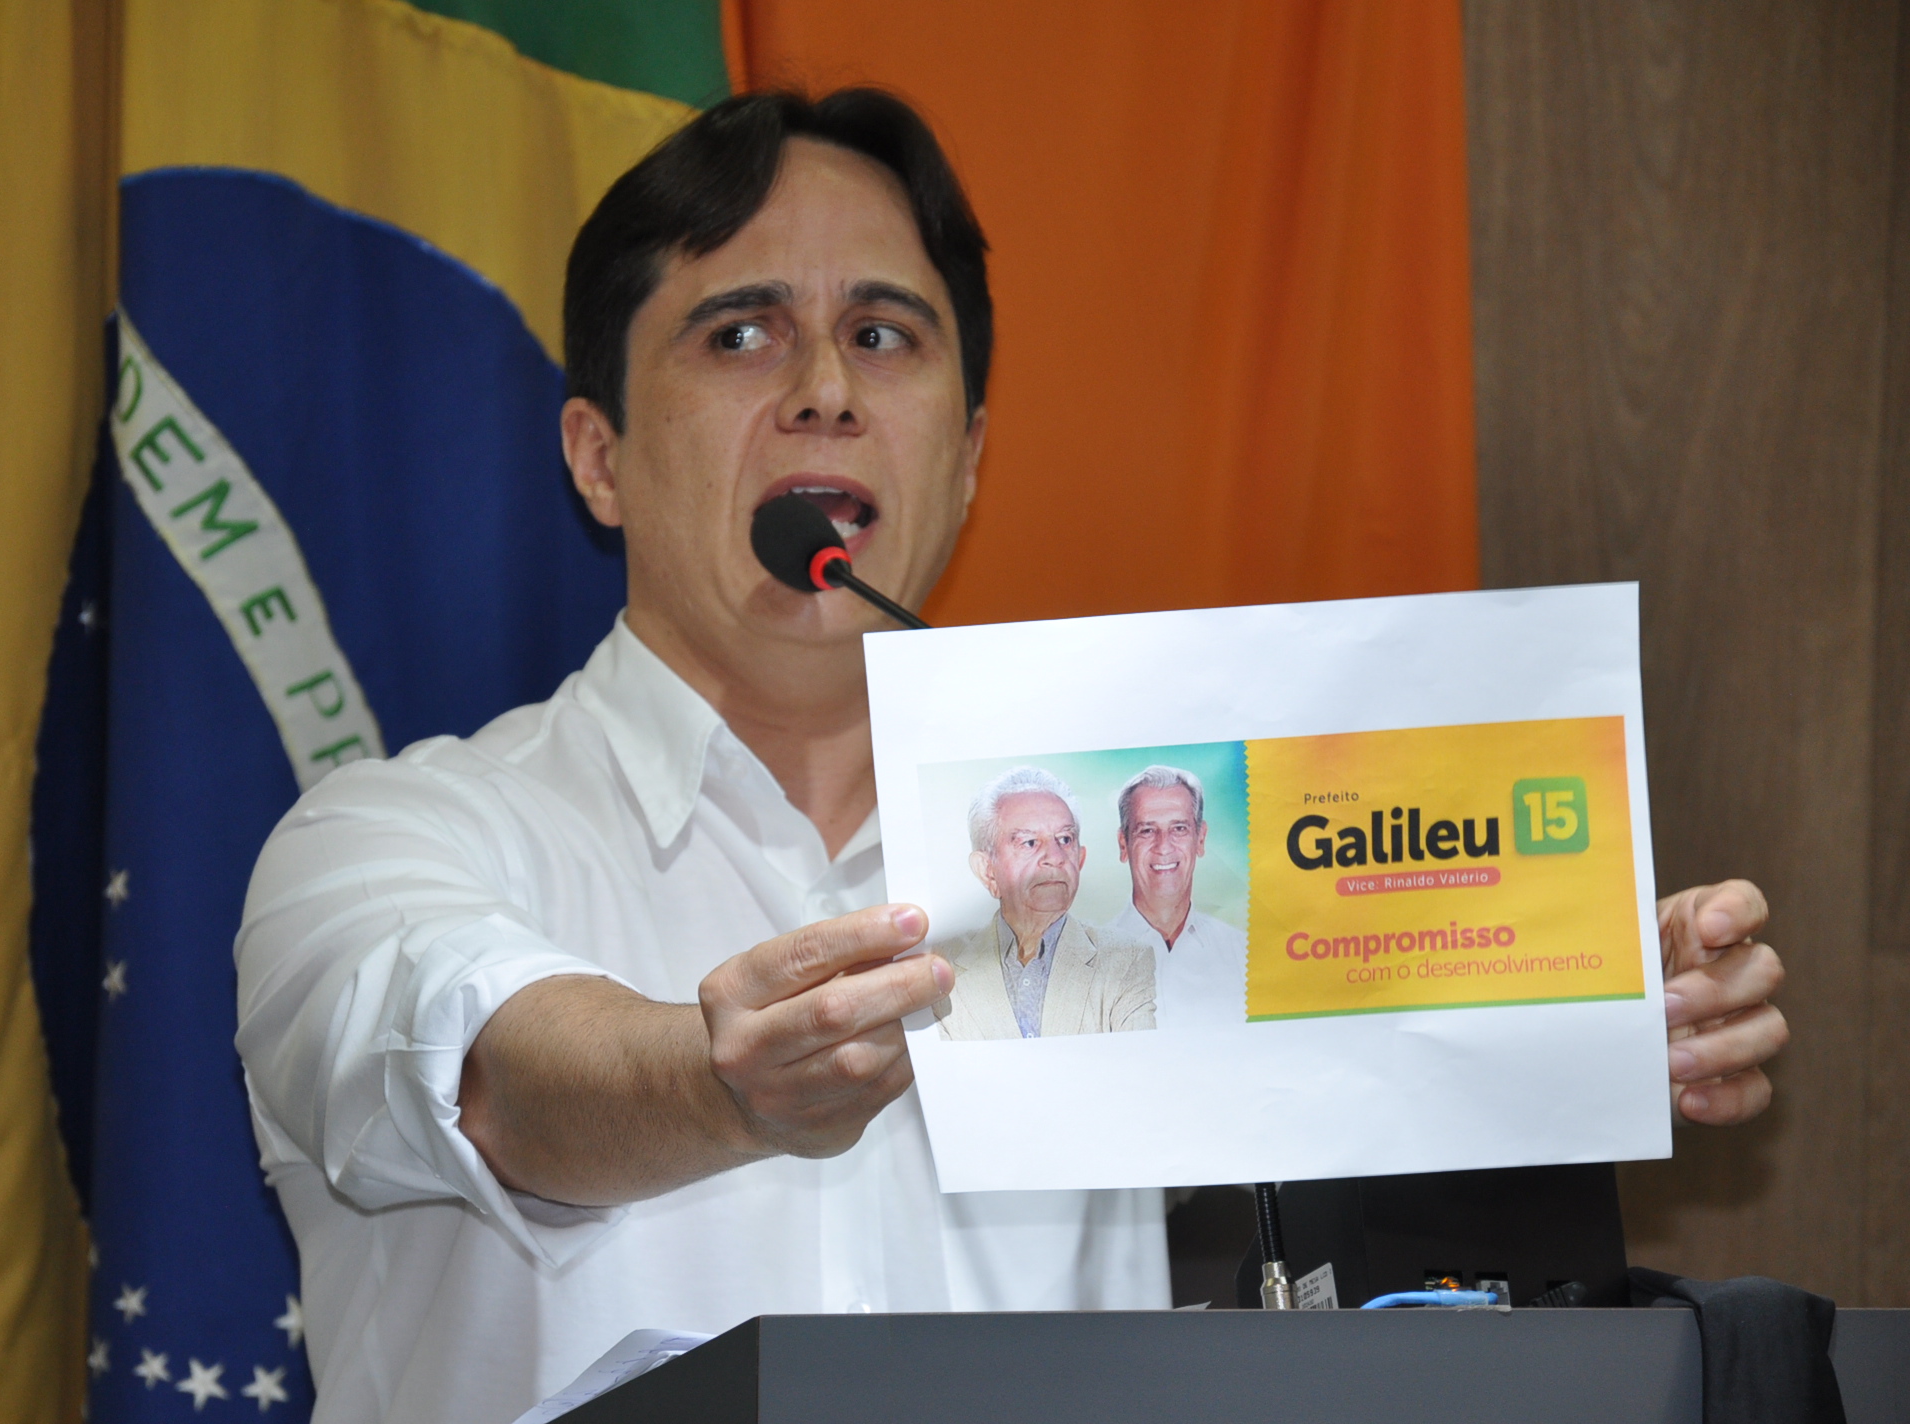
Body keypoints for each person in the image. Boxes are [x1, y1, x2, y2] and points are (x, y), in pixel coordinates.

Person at [232, 89, 1791, 1424]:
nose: (824, 389)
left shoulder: (1125, 855)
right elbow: (490, 1081)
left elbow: (1364, 1096)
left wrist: (1574, 1007)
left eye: (882, 335)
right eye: (742, 331)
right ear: (599, 457)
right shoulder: (385, 841)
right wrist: (722, 1084)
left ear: (969, 458)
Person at [932, 767, 1156, 1040]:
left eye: (1065, 839)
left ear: (1080, 859)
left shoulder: (1125, 959)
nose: (1055, 857)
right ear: (988, 871)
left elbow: (1139, 1059)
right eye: (1029, 842)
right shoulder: (939, 965)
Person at [1110, 765, 1247, 1026]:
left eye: (1179, 829)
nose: (1164, 847)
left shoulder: (1242, 953)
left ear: (1200, 839)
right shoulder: (1093, 961)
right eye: (1147, 830)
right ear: (1123, 844)